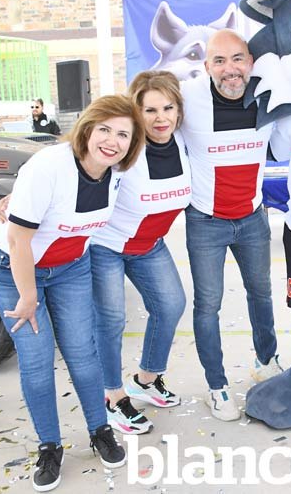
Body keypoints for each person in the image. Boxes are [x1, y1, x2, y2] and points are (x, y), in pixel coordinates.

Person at [0, 95, 145, 491]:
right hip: (15, 268)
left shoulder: (120, 172)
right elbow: (19, 241)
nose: (112, 141)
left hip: (71, 266)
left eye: (123, 134)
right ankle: (50, 446)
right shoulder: (50, 165)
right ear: (87, 129)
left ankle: (100, 429)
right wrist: (27, 298)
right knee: (37, 360)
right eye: (104, 129)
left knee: (82, 353)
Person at [179, 29, 282, 421]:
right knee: (208, 305)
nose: (230, 69)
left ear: (250, 62)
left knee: (261, 294)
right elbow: (132, 126)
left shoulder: (267, 94)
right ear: (206, 67)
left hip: (252, 217)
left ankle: (267, 362)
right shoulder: (186, 98)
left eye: (238, 58)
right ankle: (216, 385)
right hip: (206, 220)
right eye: (219, 61)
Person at [89, 71, 191, 435]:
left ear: (179, 110)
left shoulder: (185, 141)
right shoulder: (123, 148)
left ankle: (145, 381)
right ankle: (112, 397)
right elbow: (70, 159)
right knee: (112, 320)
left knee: (171, 305)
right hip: (106, 246)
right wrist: (16, 195)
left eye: (168, 108)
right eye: (150, 110)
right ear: (137, 112)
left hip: (149, 246)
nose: (161, 118)